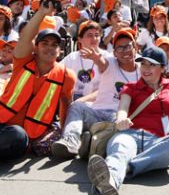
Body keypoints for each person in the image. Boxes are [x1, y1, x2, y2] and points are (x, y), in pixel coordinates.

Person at [0, 0, 76, 165]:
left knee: (15, 135)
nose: (49, 48)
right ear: (36, 48)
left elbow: (67, 105)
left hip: (21, 136)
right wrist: (41, 12)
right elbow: (25, 37)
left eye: (54, 45)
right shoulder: (23, 62)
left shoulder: (67, 75)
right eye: (44, 43)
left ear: (60, 51)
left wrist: (63, 134)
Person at [86, 46, 169, 195]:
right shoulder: (131, 87)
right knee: (119, 148)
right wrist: (121, 119)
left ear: (162, 68)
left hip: (157, 141)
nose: (146, 69)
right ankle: (111, 181)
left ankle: (128, 167)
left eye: (152, 65)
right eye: (144, 64)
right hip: (130, 134)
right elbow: (122, 109)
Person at [51, 28, 138, 159]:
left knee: (122, 129)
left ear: (135, 47)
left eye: (128, 46)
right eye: (119, 48)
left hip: (116, 118)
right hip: (96, 112)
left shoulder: (143, 70)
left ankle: (92, 144)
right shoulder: (110, 61)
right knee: (76, 106)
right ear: (114, 52)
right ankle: (71, 142)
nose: (124, 51)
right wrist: (96, 59)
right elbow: (103, 64)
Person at [61, 21, 108, 101]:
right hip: (72, 98)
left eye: (97, 35)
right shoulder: (72, 57)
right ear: (79, 39)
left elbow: (108, 88)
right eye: (90, 35)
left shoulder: (107, 56)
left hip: (97, 100)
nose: (94, 39)